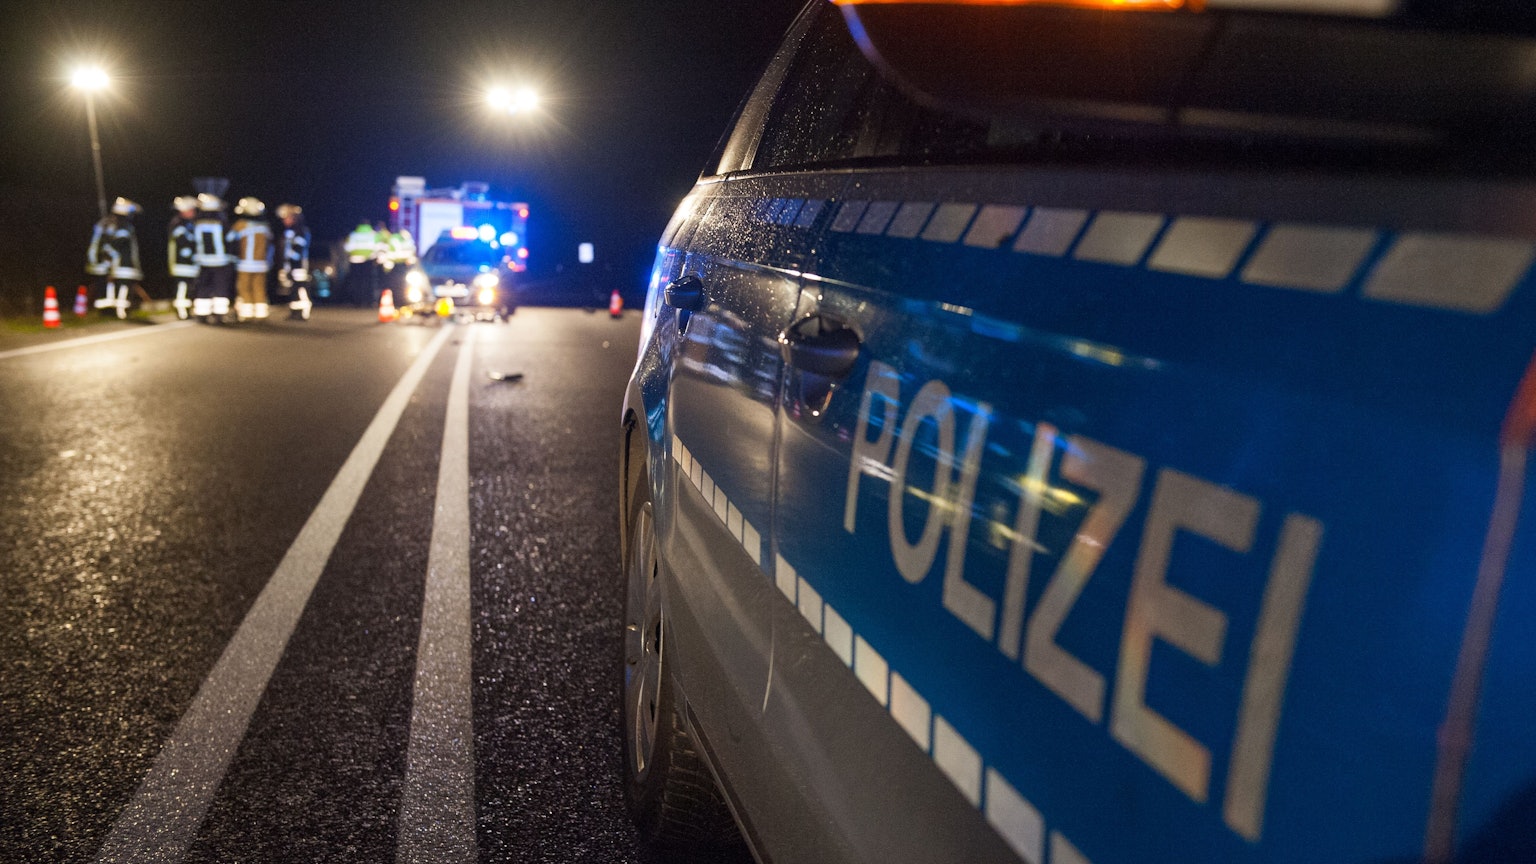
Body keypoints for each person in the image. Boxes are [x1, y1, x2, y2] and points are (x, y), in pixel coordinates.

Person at [86, 197, 144, 319]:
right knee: (122, 285)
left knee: (107, 286)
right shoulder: (122, 225)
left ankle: (108, 312)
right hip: (118, 264)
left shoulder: (105, 223)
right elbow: (114, 245)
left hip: (101, 263)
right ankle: (120, 311)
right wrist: (112, 259)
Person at [191, 193, 235, 323]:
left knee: (203, 288)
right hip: (221, 262)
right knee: (220, 288)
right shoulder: (222, 222)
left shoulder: (197, 222)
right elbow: (231, 239)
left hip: (203, 261)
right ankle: (219, 315)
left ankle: (202, 314)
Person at [229, 197, 272, 321]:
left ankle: (247, 314)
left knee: (244, 288)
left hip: (244, 264)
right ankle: (261, 314)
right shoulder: (265, 227)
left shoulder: (240, 225)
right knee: (259, 288)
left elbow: (229, 240)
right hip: (262, 264)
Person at [275, 204, 312, 320]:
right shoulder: (290, 231)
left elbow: (298, 250)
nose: (285, 220)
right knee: (293, 290)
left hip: (299, 266)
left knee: (300, 288)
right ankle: (294, 312)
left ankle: (302, 313)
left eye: (287, 217)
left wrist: (290, 259)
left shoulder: (300, 230)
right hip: (290, 265)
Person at [167, 196, 200, 319]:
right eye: (192, 209)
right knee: (182, 285)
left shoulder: (190, 223)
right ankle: (181, 311)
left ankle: (187, 309)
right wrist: (190, 253)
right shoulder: (178, 223)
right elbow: (183, 242)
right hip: (181, 262)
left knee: (190, 286)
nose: (194, 212)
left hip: (190, 263)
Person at [343, 221, 379, 305]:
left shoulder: (353, 235)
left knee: (356, 283)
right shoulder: (373, 235)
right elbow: (378, 248)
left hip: (355, 262)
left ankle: (357, 302)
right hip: (368, 262)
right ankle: (368, 301)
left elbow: (347, 248)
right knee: (368, 282)